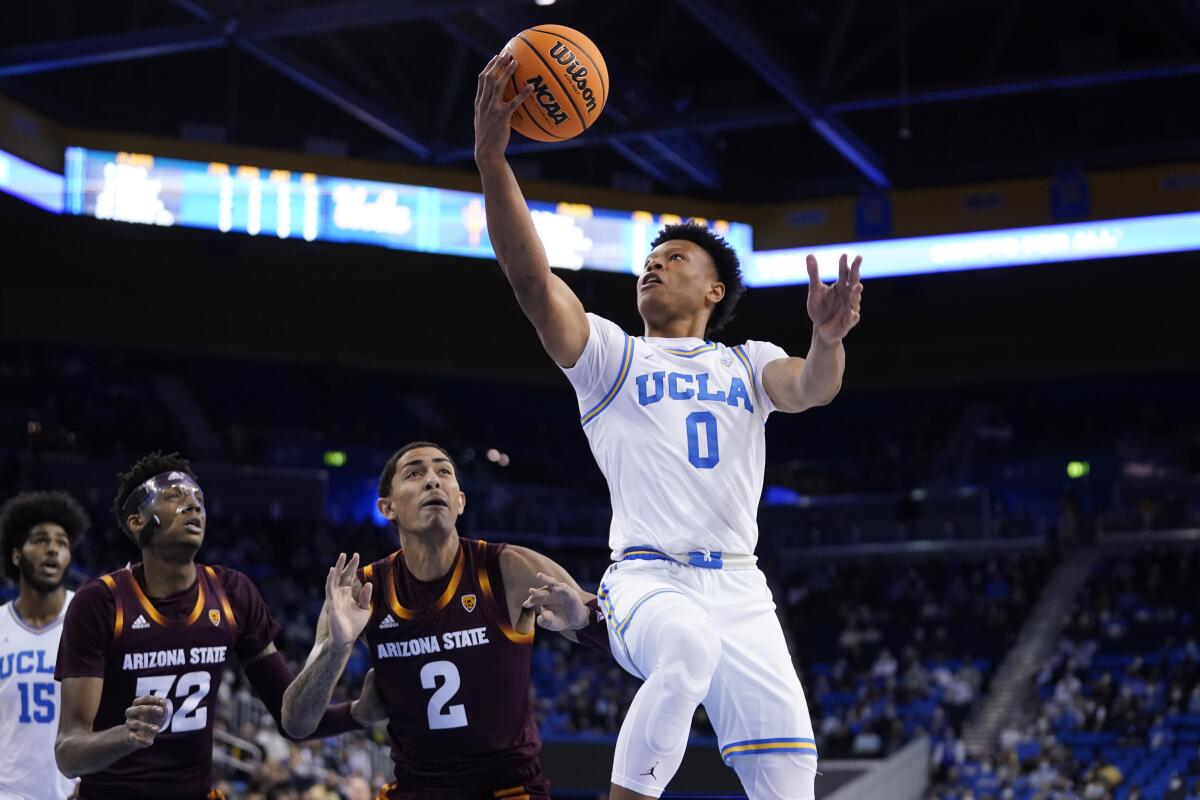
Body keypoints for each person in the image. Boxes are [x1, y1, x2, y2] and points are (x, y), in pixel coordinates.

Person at [474, 52, 864, 800]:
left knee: (789, 780)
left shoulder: (748, 363)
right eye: (647, 262)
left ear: (714, 289)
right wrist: (494, 160)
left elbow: (814, 388)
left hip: (742, 589)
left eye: (673, 258)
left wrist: (829, 338)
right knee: (685, 649)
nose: (652, 269)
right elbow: (531, 282)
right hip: (648, 581)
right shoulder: (610, 358)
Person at [281, 441, 610, 799]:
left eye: (444, 471)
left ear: (460, 501)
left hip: (507, 789)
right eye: (415, 473)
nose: (433, 481)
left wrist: (583, 620)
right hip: (416, 789)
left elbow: (623, 635)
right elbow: (296, 722)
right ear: (387, 507)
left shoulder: (509, 569)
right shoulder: (359, 591)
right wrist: (336, 651)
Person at [53, 452, 382, 800]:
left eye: (199, 499)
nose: (193, 506)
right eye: (174, 497)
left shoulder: (232, 593)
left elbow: (294, 721)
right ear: (137, 521)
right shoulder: (100, 603)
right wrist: (126, 735)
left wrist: (356, 706)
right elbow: (68, 754)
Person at [0, 491, 88, 800]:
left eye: (62, 543)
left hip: (74, 792)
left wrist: (95, 780)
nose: (52, 549)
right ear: (16, 555)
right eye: (40, 541)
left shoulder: (90, 620)